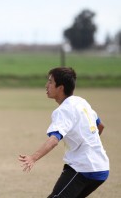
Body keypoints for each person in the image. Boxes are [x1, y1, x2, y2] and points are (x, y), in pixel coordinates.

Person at [19, 67, 109, 198]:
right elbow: (100, 126)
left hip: (83, 169)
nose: (46, 85)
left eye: (50, 82)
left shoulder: (63, 110)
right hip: (101, 168)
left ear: (60, 88)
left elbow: (54, 139)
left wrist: (33, 158)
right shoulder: (81, 101)